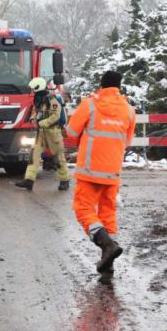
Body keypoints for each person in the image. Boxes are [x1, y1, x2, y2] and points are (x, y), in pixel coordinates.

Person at [65, 70, 136, 281]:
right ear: (119, 86)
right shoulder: (129, 110)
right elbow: (128, 142)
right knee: (107, 214)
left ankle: (107, 245)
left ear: (101, 85)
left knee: (83, 209)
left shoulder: (90, 104)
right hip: (112, 172)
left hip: (89, 170)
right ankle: (108, 267)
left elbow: (71, 132)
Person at [15, 77, 71, 191]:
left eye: (33, 89)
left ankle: (65, 180)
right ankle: (29, 181)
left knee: (58, 158)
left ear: (38, 88)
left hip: (53, 133)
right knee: (33, 156)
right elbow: (39, 113)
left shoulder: (52, 99)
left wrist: (41, 123)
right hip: (41, 133)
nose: (32, 92)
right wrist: (33, 118)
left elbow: (56, 116)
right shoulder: (39, 99)